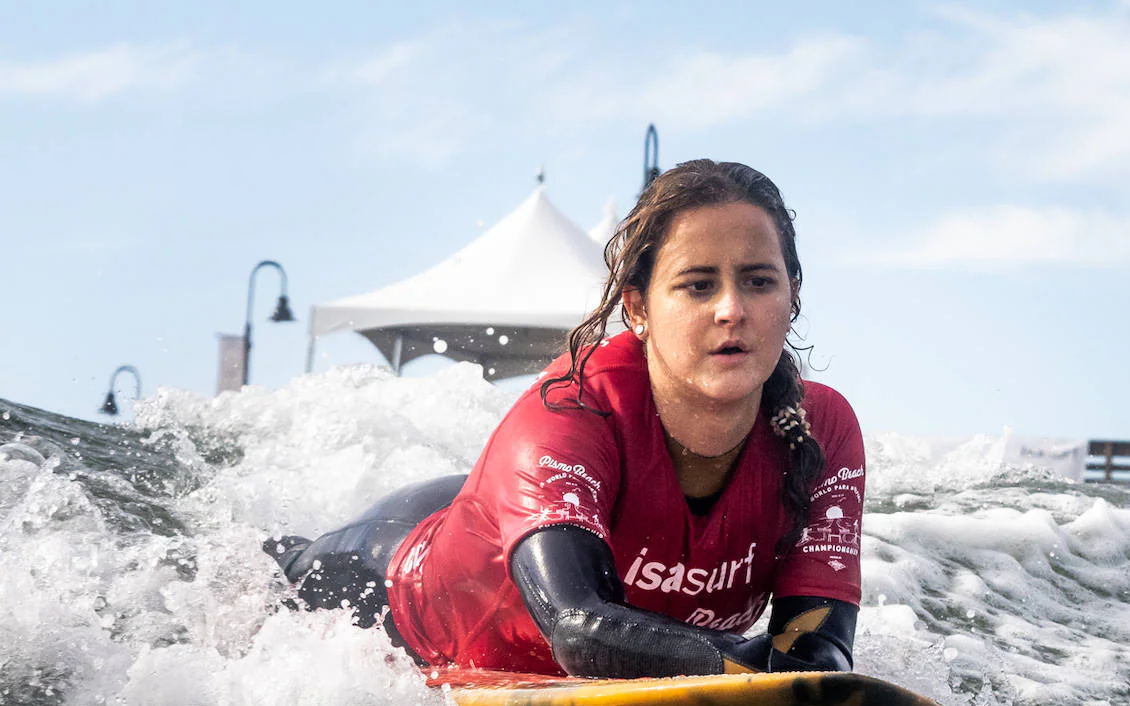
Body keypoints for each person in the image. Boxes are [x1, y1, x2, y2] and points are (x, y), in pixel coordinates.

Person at [268, 159, 865, 679]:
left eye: (759, 282)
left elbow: (816, 652)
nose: (732, 310)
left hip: (526, 518)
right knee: (263, 586)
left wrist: (800, 671)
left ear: (792, 296)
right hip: (392, 585)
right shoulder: (570, 406)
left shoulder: (822, 427)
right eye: (697, 286)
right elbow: (580, 630)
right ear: (637, 308)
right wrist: (751, 665)